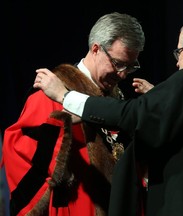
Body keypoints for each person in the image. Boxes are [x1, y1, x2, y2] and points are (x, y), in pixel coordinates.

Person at [33, 16, 183, 216]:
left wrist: (66, 96)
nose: (178, 65)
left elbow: (134, 114)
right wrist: (162, 97)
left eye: (179, 53)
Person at [1, 12, 145, 216]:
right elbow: (19, 152)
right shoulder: (52, 93)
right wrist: (62, 135)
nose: (122, 74)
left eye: (130, 67)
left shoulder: (116, 97)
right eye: (118, 63)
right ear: (96, 49)